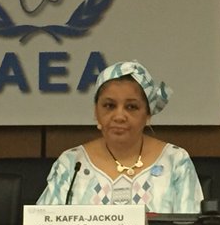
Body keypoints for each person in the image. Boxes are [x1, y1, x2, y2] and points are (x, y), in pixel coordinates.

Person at [37, 61, 203, 213]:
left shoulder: (175, 161)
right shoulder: (72, 163)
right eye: (109, 106)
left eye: (131, 107)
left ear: (148, 114)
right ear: (96, 111)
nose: (119, 116)